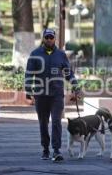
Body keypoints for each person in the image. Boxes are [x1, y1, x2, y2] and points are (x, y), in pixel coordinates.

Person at [24, 28, 80, 162]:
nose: (49, 39)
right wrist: (28, 90)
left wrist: (75, 86)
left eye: (51, 37)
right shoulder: (35, 54)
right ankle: (45, 149)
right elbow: (29, 74)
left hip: (56, 95)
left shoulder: (61, 54)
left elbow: (68, 73)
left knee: (56, 122)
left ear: (55, 38)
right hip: (41, 95)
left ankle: (56, 150)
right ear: (43, 38)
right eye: (47, 37)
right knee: (43, 123)